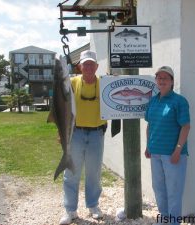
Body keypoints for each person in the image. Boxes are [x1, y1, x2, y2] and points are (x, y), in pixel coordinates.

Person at [59, 50, 107, 225]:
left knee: (94, 172)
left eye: (91, 64)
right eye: (85, 64)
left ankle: (93, 205)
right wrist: (61, 132)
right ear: (79, 66)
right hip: (75, 133)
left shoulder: (104, 83)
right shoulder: (71, 82)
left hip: (96, 133)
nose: (88, 67)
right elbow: (61, 108)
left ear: (96, 66)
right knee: (71, 172)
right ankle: (70, 210)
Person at [144, 66, 190, 225]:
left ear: (171, 81)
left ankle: (174, 222)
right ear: (156, 80)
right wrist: (148, 146)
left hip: (173, 155)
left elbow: (186, 126)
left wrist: (178, 150)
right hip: (155, 153)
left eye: (166, 78)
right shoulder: (153, 101)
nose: (162, 80)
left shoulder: (179, 101)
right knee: (159, 188)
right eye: (159, 77)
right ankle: (164, 218)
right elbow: (150, 125)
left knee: (174, 191)